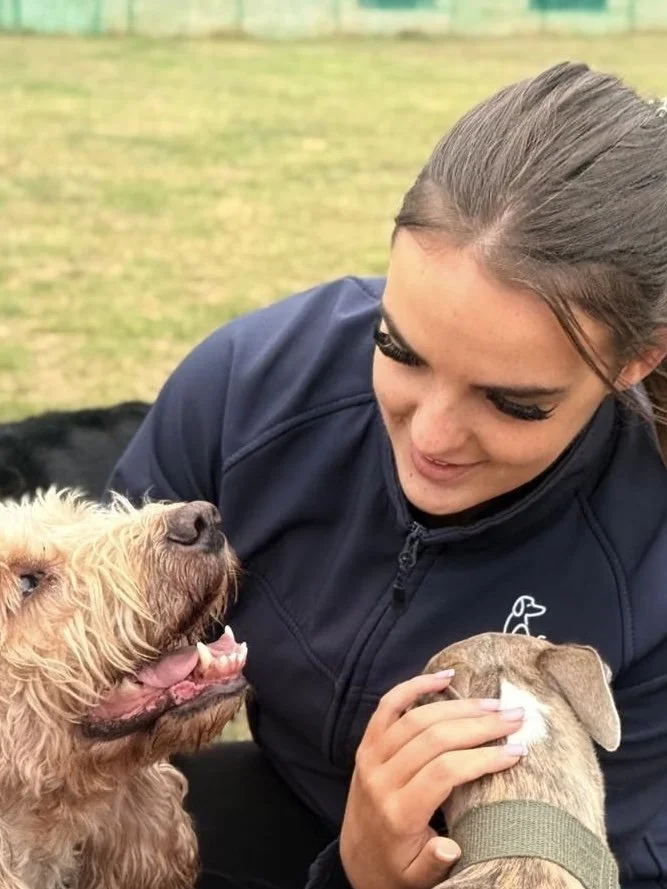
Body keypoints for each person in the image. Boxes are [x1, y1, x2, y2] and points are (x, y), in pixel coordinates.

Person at [107, 61, 667, 889]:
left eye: (513, 402)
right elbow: (64, 655)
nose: (432, 437)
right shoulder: (255, 384)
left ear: (633, 361)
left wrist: (363, 874)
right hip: (285, 795)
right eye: (398, 348)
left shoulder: (648, 558)